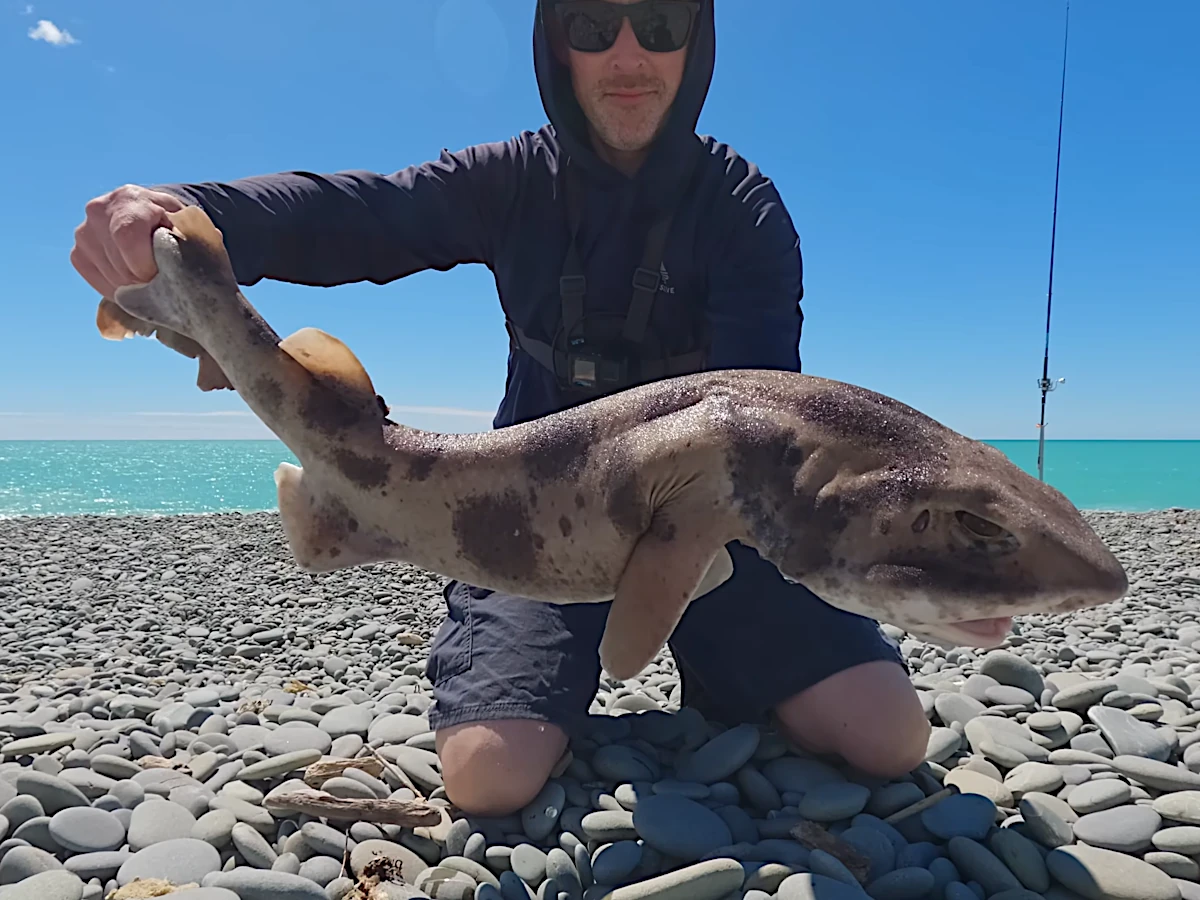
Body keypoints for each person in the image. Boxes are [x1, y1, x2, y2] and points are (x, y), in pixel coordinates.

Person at [70, 0, 931, 816]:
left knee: (890, 740)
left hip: (713, 534)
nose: (627, 54)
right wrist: (190, 212)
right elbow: (363, 215)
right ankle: (579, 658)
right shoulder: (514, 180)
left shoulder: (744, 210)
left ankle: (709, 644)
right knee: (490, 779)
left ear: (696, 42)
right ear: (558, 44)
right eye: (593, 23)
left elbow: (763, 421)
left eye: (660, 21)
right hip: (527, 530)